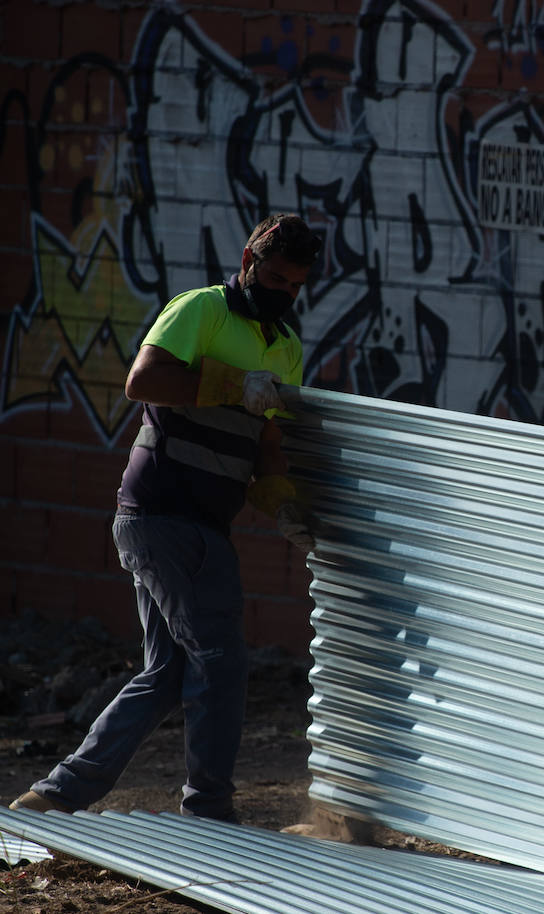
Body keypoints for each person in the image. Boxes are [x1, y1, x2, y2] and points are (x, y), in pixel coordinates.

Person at [9, 213, 320, 822]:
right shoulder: (200, 310)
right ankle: (208, 810)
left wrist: (284, 505)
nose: (283, 292)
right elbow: (142, 381)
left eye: (294, 286)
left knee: (170, 670)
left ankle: (57, 795)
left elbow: (267, 446)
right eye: (275, 278)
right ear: (248, 263)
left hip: (188, 521)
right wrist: (233, 384)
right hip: (166, 512)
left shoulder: (285, 347)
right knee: (222, 659)